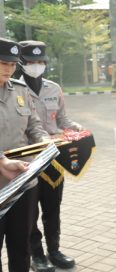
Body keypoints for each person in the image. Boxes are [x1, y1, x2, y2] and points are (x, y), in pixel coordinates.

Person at [18, 41, 82, 272]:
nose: (36, 66)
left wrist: (76, 128)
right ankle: (37, 254)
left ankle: (54, 250)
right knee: (29, 210)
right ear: (21, 64)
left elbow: (62, 119)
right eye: (31, 62)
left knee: (53, 206)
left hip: (54, 158)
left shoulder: (54, 88)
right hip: (27, 162)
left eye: (40, 62)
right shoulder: (15, 90)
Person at [0, 38, 50, 272]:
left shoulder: (20, 91)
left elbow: (34, 125)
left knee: (21, 246)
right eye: (2, 63)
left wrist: (44, 142)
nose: (7, 69)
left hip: (23, 183)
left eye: (11, 65)